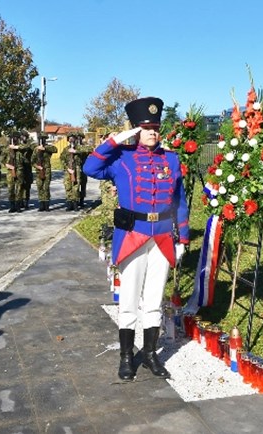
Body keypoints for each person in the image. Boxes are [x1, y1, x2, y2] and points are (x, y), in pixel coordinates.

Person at [83, 97, 190, 381]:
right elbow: (89, 168)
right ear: (135, 130)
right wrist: (115, 140)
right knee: (129, 301)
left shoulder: (171, 159)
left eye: (156, 127)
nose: (153, 132)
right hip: (133, 236)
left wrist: (184, 239)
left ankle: (152, 355)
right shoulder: (122, 158)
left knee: (154, 301)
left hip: (163, 237)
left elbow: (180, 200)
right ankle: (127, 357)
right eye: (146, 128)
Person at [32, 133, 57, 211]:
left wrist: (45, 149)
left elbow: (55, 149)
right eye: (40, 139)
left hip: (46, 170)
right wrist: (37, 166)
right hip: (38, 170)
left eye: (43, 139)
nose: (42, 140)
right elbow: (32, 161)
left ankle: (46, 205)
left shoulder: (48, 147)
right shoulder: (36, 149)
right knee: (39, 187)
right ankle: (41, 204)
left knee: (46, 187)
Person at [62, 132, 81, 211]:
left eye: (72, 138)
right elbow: (62, 159)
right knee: (68, 186)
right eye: (69, 138)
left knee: (76, 187)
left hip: (76, 168)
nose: (71, 139)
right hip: (68, 170)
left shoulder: (79, 148)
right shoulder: (66, 149)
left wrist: (75, 151)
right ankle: (69, 204)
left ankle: (75, 203)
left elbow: (87, 150)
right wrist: (67, 168)